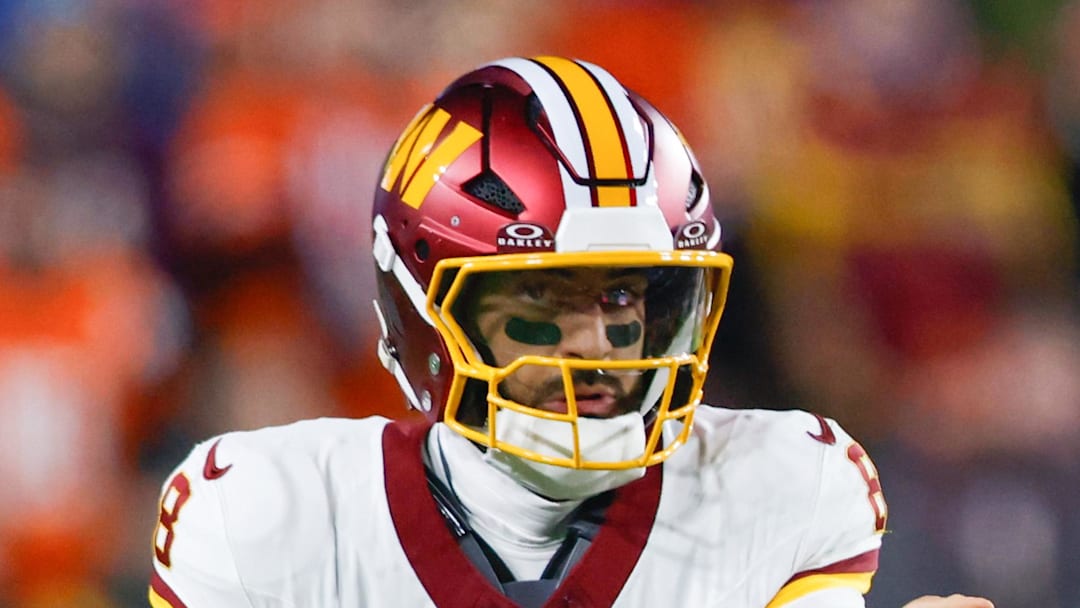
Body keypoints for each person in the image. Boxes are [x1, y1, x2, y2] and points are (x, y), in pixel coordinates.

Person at [148, 56, 992, 608]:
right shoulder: (270, 515)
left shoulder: (778, 485)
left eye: (627, 299)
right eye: (542, 303)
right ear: (422, 313)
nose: (596, 344)